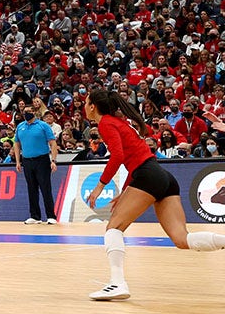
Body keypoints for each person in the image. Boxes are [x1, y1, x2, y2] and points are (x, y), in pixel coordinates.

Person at [83, 89, 225, 300]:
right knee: (181, 239)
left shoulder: (106, 123)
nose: (84, 106)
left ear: (93, 105)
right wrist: (125, 192)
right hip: (162, 177)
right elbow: (135, 159)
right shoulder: (122, 122)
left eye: (85, 102)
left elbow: (119, 157)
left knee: (113, 228)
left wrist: (99, 187)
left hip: (147, 175)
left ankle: (117, 283)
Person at [13, 109, 59, 224]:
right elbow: (17, 144)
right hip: (27, 161)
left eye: (29, 111)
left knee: (45, 188)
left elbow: (53, 143)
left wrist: (53, 160)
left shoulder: (43, 125)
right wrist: (18, 161)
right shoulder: (20, 127)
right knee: (31, 189)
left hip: (42, 160)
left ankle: (51, 216)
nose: (27, 113)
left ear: (34, 112)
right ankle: (35, 216)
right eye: (24, 111)